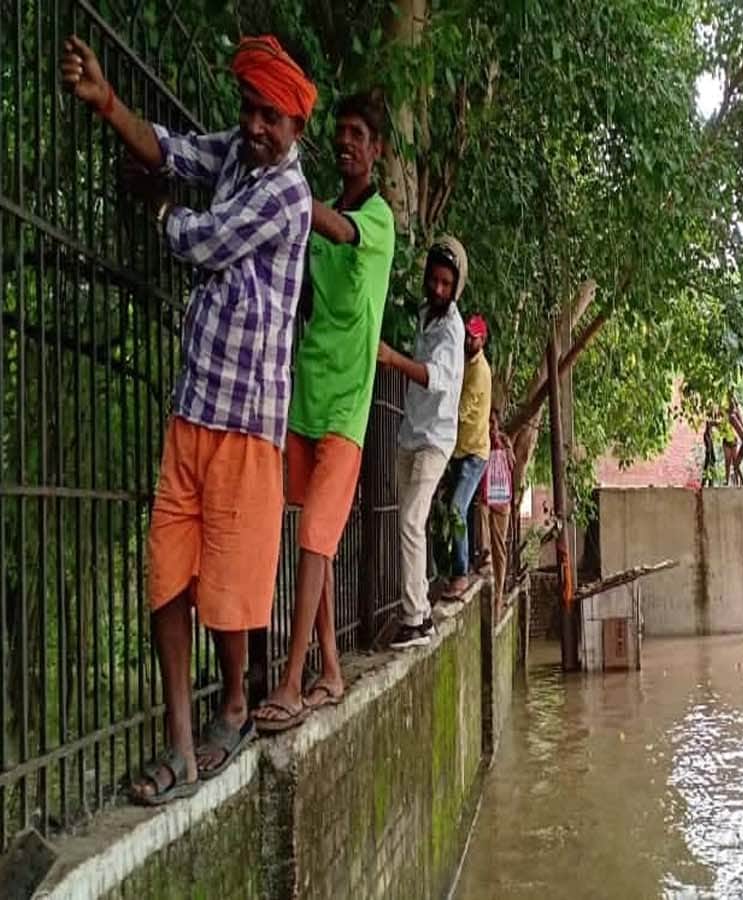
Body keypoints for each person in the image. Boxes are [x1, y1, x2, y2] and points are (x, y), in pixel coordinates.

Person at [61, 33, 314, 803]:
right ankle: (179, 740)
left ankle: (234, 705)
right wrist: (109, 104)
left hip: (245, 420)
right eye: (248, 111)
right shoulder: (239, 156)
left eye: (269, 116)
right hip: (193, 406)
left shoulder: (288, 195)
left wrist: (162, 207)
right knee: (168, 575)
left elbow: (203, 242)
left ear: (295, 126)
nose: (254, 126)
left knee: (230, 593)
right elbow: (171, 147)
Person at [253, 91, 395, 733]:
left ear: (378, 150)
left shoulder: (379, 220)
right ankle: (330, 670)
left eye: (358, 134)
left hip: (348, 406)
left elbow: (339, 229)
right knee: (315, 541)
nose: (346, 143)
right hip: (304, 390)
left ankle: (290, 679)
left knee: (314, 535)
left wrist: (288, 192)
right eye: (339, 133)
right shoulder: (324, 210)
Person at [377, 237, 468, 649]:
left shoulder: (452, 329)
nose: (438, 289)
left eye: (446, 283)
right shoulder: (422, 314)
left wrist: (393, 359)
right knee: (409, 522)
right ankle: (420, 610)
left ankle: (416, 619)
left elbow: (435, 378)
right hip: (411, 431)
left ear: (457, 286)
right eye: (433, 280)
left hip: (435, 438)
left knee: (412, 521)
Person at [443, 315, 492, 599]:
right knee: (465, 509)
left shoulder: (479, 372)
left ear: (482, 340)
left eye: (474, 337)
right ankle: (474, 559)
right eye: (467, 335)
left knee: (455, 509)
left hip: (474, 452)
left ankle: (460, 575)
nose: (469, 340)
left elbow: (461, 410)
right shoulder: (465, 363)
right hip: (463, 449)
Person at [483, 407, 516, 610]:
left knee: (500, 548)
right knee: (487, 537)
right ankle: (484, 560)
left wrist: (503, 447)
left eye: (493, 423)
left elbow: (512, 465)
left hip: (502, 501)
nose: (489, 427)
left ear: (498, 424)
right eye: (487, 423)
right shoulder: (481, 440)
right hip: (487, 498)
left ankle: (498, 595)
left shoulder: (504, 441)